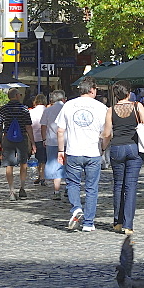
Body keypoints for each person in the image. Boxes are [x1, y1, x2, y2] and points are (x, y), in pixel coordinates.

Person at [57, 77, 107, 231]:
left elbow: (60, 130)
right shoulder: (101, 107)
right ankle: (88, 223)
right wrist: (103, 148)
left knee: (73, 183)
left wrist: (60, 150)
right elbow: (106, 133)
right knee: (92, 188)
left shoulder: (68, 105)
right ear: (92, 90)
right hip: (93, 152)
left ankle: (76, 208)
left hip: (73, 151)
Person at [102, 81, 144, 235]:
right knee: (130, 186)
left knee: (118, 185)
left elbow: (107, 134)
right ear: (129, 93)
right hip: (134, 148)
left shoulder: (111, 110)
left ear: (116, 95)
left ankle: (117, 221)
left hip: (117, 148)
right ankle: (128, 225)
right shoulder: (138, 106)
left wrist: (103, 147)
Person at [0, 87, 35, 200]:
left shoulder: (3, 109)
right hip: (22, 137)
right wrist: (32, 142)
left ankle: (11, 190)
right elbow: (28, 127)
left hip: (7, 138)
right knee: (23, 162)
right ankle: (22, 187)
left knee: (9, 164)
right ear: (17, 96)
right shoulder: (24, 109)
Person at [42, 90, 67, 200]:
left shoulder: (48, 110)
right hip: (67, 141)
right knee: (68, 165)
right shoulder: (67, 108)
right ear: (63, 99)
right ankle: (68, 189)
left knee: (55, 166)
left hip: (52, 141)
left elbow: (43, 126)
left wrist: (44, 139)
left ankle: (56, 190)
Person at [29, 94, 47, 185]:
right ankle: (42, 176)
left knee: (38, 158)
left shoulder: (31, 112)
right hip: (45, 138)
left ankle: (40, 176)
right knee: (43, 158)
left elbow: (29, 126)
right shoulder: (47, 111)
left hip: (34, 138)